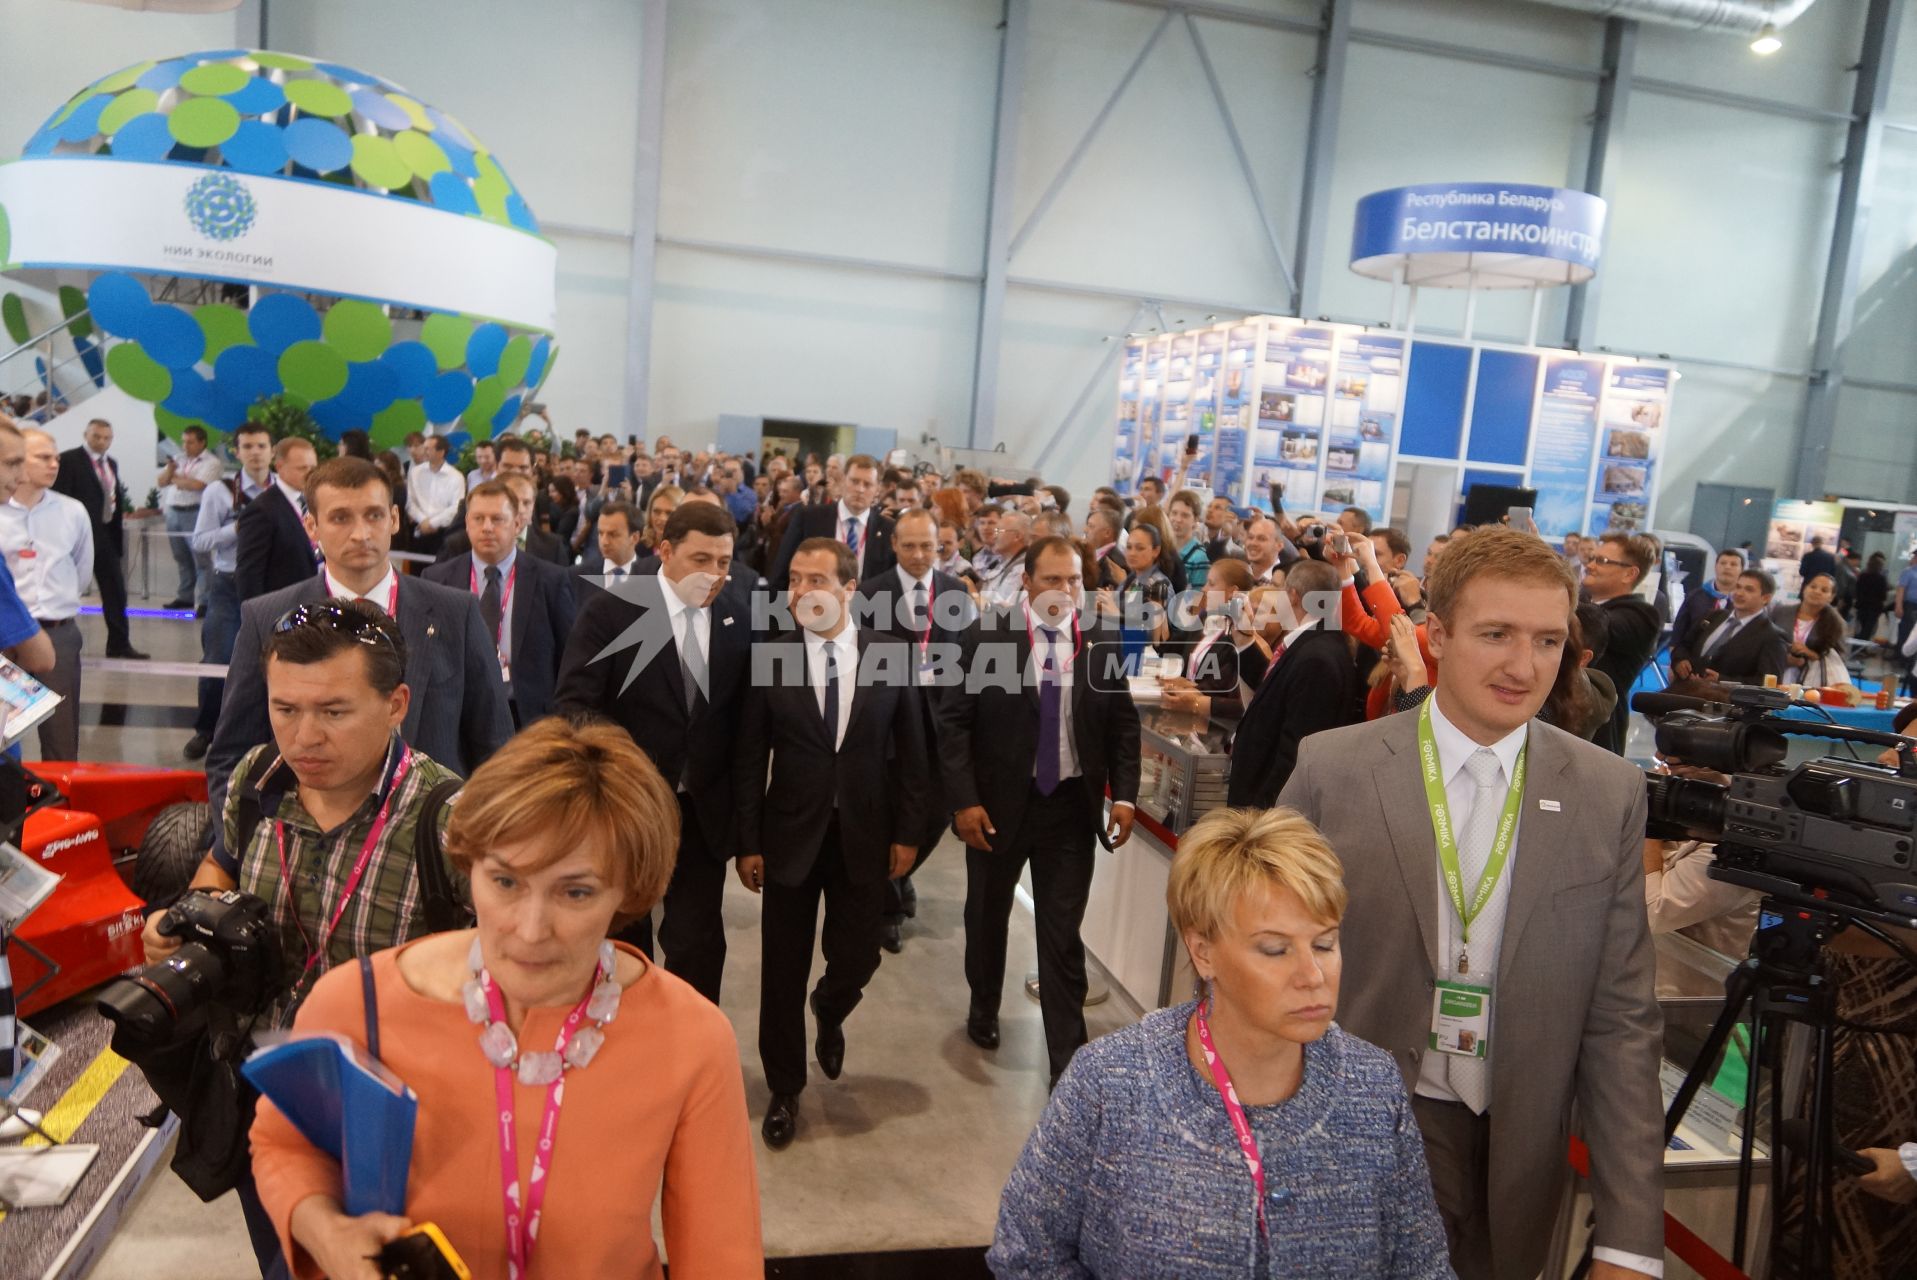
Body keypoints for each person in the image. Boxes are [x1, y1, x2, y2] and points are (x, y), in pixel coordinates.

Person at [1277, 526, 1664, 1280]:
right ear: (1436, 635)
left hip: (1518, 1159)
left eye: (1549, 641)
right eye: (1496, 635)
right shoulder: (1335, 770)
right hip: (1355, 1141)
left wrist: (1627, 1240)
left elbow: (1621, 1023)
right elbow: (1258, 961)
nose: (1524, 667)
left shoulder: (1607, 793)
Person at [250, 716, 765, 1280]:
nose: (530, 929)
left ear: (630, 890)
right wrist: (327, 1231)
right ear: (469, 867)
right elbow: (285, 1147)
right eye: (505, 881)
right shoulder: (359, 1003)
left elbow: (721, 1258)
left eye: (576, 891)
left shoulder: (689, 1039)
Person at [145, 597, 469, 1275]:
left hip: (395, 1122)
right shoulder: (256, 782)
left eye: (334, 712)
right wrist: (188, 918)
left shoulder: (452, 822)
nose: (303, 739)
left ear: (397, 703)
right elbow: (222, 864)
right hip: (262, 1097)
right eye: (285, 709)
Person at [987, 806, 1452, 1279]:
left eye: (1325, 944)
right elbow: (1025, 1252)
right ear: (1202, 951)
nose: (1312, 976)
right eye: (1275, 949)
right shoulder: (1110, 1082)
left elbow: (1423, 1266)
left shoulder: (1373, 1089)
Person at [207, 457, 513, 844]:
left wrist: (477, 844)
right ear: (311, 526)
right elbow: (230, 754)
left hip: (434, 845)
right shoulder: (267, 617)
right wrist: (243, 845)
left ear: (395, 519)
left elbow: (494, 747)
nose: (360, 533)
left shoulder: (456, 613)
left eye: (373, 515)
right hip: (303, 850)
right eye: (340, 518)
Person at [735, 539, 925, 1147]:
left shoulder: (892, 656)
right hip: (789, 834)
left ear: (849, 588)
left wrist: (909, 834)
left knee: (859, 954)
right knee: (781, 970)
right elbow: (747, 757)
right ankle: (785, 1088)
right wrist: (747, 842)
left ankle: (832, 1006)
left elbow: (916, 759)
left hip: (866, 837)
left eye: (816, 579)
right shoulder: (773, 656)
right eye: (794, 580)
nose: (802, 592)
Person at [940, 536, 1141, 1086]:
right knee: (986, 918)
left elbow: (1122, 722)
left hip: (1070, 812)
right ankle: (983, 1006)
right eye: (1053, 579)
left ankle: (1066, 1066)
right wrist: (964, 801)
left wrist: (1124, 793)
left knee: (1061, 935)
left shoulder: (1099, 638)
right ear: (1026, 582)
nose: (1065, 590)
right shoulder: (987, 636)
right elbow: (953, 723)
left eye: (1074, 580)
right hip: (998, 809)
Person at [554, 502, 759, 1003]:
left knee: (697, 943)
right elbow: (574, 706)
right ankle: (622, 1040)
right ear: (665, 551)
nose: (713, 574)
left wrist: (749, 833)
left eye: (724, 562)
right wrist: (626, 770)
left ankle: (691, 1045)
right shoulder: (611, 610)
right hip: (627, 808)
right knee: (622, 938)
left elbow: (745, 732)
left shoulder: (736, 617)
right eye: (700, 559)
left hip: (702, 812)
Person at [856, 508, 968, 952]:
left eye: (929, 546)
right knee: (888, 813)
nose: (920, 555)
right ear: (894, 546)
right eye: (910, 546)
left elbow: (969, 657)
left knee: (937, 813)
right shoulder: (870, 593)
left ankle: (902, 876)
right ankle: (886, 908)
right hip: (887, 726)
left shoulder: (957, 592)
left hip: (942, 724)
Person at [423, 481, 577, 727]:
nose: (486, 528)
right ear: (466, 523)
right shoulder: (437, 579)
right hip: (458, 715)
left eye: (497, 519)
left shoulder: (552, 581)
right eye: (478, 518)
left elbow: (569, 659)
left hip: (528, 717)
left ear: (517, 524)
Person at [1226, 559, 1356, 807]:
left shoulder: (1317, 657)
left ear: (1293, 596)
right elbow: (1274, 695)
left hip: (1269, 811)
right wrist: (1243, 640)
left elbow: (1295, 749)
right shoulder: (1314, 644)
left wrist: (1263, 812)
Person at [187, 424, 278, 759]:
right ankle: (206, 730)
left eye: (261, 445)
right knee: (217, 657)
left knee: (276, 661)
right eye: (248, 446)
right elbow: (200, 540)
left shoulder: (285, 491)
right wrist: (236, 528)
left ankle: (265, 733)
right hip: (228, 583)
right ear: (237, 452)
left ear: (272, 450)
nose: (255, 452)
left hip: (273, 585)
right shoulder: (219, 491)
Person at [0, 428, 92, 760]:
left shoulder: (72, 512)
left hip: (58, 633)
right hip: (7, 641)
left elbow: (82, 570)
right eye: (43, 457)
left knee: (62, 740)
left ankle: (60, 809)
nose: (54, 464)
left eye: (56, 457)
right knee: (5, 741)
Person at [55, 417, 144, 658]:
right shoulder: (69, 460)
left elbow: (112, 496)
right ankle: (57, 638)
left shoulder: (111, 463)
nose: (102, 441)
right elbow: (60, 497)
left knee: (115, 590)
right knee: (66, 588)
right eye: (97, 436)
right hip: (77, 536)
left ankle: (119, 643)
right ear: (86, 435)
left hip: (105, 536)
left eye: (107, 438)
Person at [1582, 532, 1662, 755]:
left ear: (1630, 573)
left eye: (1602, 561)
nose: (1590, 566)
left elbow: (1593, 626)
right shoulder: (1587, 603)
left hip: (1597, 733)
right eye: (1591, 558)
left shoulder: (1641, 614)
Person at [768, 453, 896, 589]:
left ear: (877, 489)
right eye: (854, 481)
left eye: (867, 484)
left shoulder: (888, 530)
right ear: (843, 481)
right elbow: (781, 572)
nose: (860, 489)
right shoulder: (809, 518)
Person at [1670, 567, 1789, 686]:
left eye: (1749, 590)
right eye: (1738, 587)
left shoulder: (1773, 636)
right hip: (1685, 692)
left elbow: (1769, 684)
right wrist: (1680, 660)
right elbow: (1683, 645)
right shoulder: (1714, 616)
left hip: (1725, 700)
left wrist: (1722, 680)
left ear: (1766, 598)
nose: (1739, 593)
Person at [235, 436, 319, 601]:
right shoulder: (261, 510)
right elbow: (249, 573)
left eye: (313, 468)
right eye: (302, 468)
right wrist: (257, 618)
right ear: (280, 467)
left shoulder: (313, 502)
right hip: (279, 606)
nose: (310, 474)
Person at [158, 424, 223, 611]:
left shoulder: (212, 462)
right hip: (173, 511)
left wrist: (175, 480)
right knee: (181, 557)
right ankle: (184, 597)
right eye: (184, 442)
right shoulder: (178, 459)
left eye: (190, 442)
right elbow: (161, 482)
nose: (185, 446)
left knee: (201, 559)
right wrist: (171, 471)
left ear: (202, 442)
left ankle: (205, 601)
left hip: (196, 512)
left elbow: (197, 485)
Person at [1769, 572, 1851, 686]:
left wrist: (1812, 655)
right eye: (1813, 586)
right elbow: (1766, 643)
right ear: (1804, 588)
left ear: (1831, 597)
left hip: (1812, 684)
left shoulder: (1836, 623)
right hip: (1776, 676)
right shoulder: (1780, 612)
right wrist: (1785, 659)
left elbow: (1839, 659)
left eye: (1824, 590)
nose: (1817, 591)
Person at [1670, 547, 1742, 654]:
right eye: (1723, 563)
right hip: (1692, 661)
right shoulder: (1695, 596)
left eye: (1733, 564)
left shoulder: (1744, 602)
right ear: (1715, 567)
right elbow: (1678, 633)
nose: (1727, 567)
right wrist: (1675, 661)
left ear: (1742, 570)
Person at [405, 436, 464, 559]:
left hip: (443, 533)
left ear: (441, 452)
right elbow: (411, 502)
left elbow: (456, 507)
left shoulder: (455, 476)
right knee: (415, 570)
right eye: (424, 448)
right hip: (419, 529)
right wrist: (423, 521)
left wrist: (432, 523)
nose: (424, 452)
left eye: (428, 449)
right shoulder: (415, 472)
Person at [1167, 489, 1212, 590]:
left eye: (1185, 515)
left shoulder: (1199, 557)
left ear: (1195, 520)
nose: (1178, 520)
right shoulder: (1162, 548)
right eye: (1174, 513)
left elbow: (1197, 598)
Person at [1853, 550, 1888, 642]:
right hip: (1874, 607)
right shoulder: (1881, 578)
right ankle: (1862, 648)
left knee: (1859, 627)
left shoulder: (1863, 576)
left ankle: (1856, 647)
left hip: (1862, 605)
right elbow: (1883, 595)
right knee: (1868, 629)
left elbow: (1857, 590)